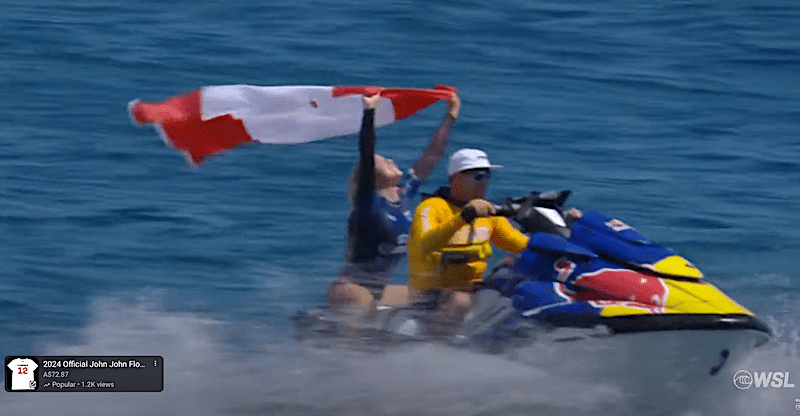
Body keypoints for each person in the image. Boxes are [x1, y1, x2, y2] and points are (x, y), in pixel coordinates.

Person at [406, 148, 580, 324]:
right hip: (431, 291)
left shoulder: (487, 212)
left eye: (488, 175)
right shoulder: (431, 207)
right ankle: (440, 346)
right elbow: (425, 244)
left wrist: (568, 232)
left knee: (522, 284)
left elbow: (519, 243)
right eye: (478, 176)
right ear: (455, 178)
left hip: (473, 288)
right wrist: (463, 217)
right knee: (460, 300)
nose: (484, 182)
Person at [328, 91, 461, 319]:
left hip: (382, 289)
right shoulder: (367, 204)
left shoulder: (406, 196)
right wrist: (370, 111)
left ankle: (440, 348)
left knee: (439, 299)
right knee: (366, 302)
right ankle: (351, 351)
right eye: (383, 160)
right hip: (350, 288)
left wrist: (451, 116)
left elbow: (431, 155)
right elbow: (367, 148)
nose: (390, 160)